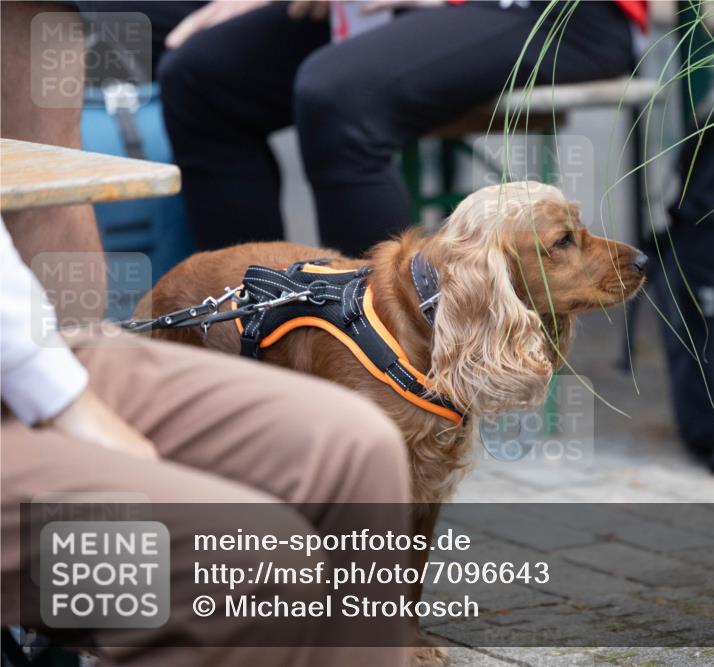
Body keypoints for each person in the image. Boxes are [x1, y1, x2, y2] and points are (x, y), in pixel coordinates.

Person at [1, 4, 409, 664]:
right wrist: (65, 401)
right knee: (255, 560)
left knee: (360, 447)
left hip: (28, 336)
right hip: (28, 363)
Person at [158, 0, 646, 255]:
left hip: (562, 12)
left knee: (340, 94)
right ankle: (256, 326)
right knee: (201, 76)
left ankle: (381, 361)